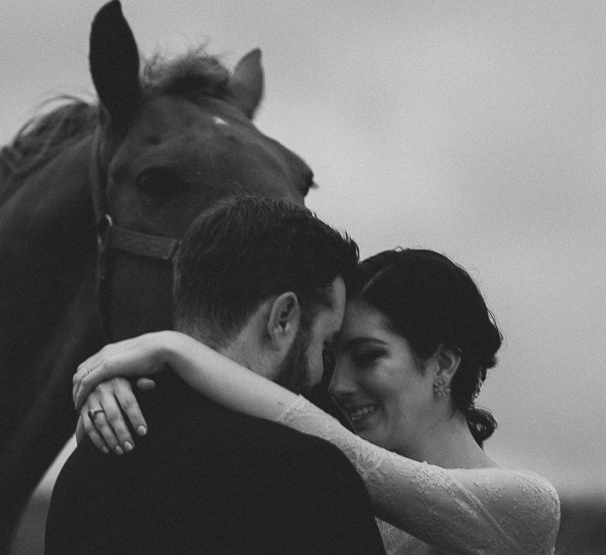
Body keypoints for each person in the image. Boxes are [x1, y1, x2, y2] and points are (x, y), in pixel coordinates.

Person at [74, 248, 561, 555]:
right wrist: (118, 399)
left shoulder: (526, 506)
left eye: (367, 356)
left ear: (445, 363)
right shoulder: (343, 507)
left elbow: (343, 453)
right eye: (332, 357)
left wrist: (173, 348)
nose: (339, 385)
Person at [45, 196, 386, 555]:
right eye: (326, 344)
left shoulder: (85, 469)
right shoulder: (311, 478)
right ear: (282, 318)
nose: (323, 374)